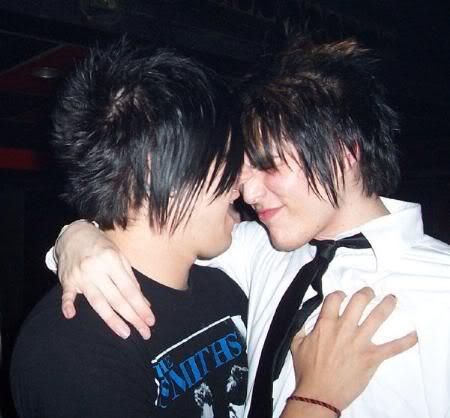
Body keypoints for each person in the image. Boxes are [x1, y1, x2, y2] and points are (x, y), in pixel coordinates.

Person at [43, 39, 431, 417]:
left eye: (269, 166)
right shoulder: (257, 248)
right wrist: (78, 237)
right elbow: (152, 233)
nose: (247, 191)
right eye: (242, 169)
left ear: (343, 154)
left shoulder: (438, 290)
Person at [11, 41, 252, 418]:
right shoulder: (71, 346)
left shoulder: (228, 282)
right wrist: (316, 398)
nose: (242, 181)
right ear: (157, 171)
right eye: (226, 159)